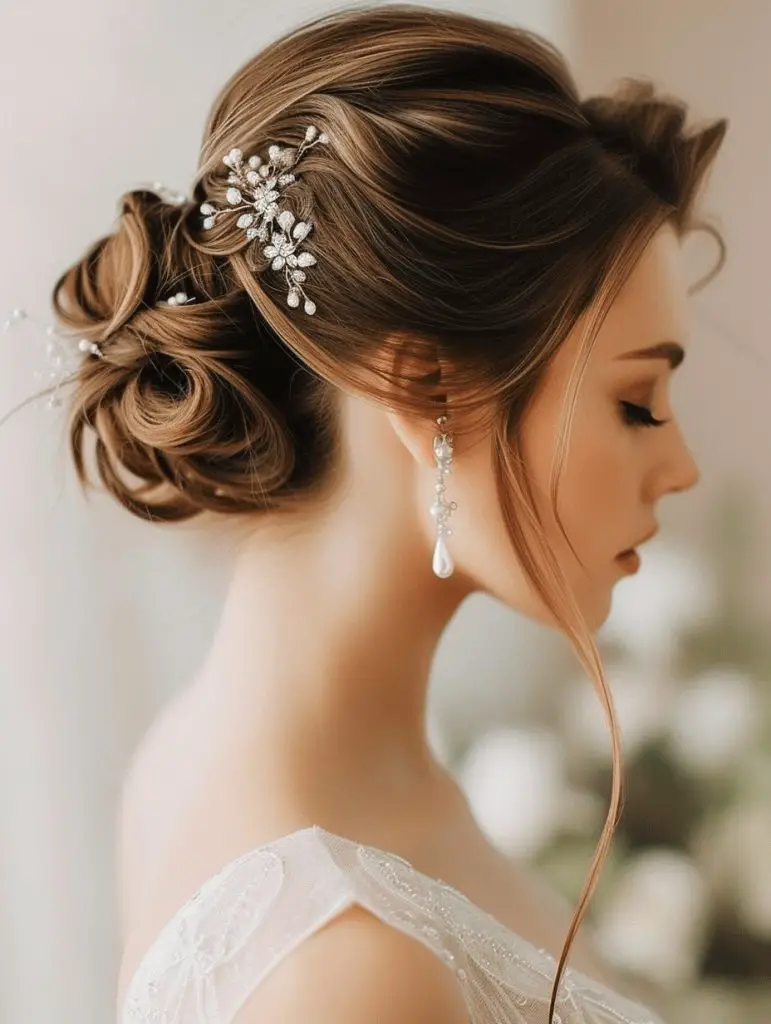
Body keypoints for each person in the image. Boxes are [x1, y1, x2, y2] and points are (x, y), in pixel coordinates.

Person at [42, 4, 727, 1022]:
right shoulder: (348, 968)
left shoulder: (221, 752)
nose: (681, 468)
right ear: (426, 388)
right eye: (636, 403)